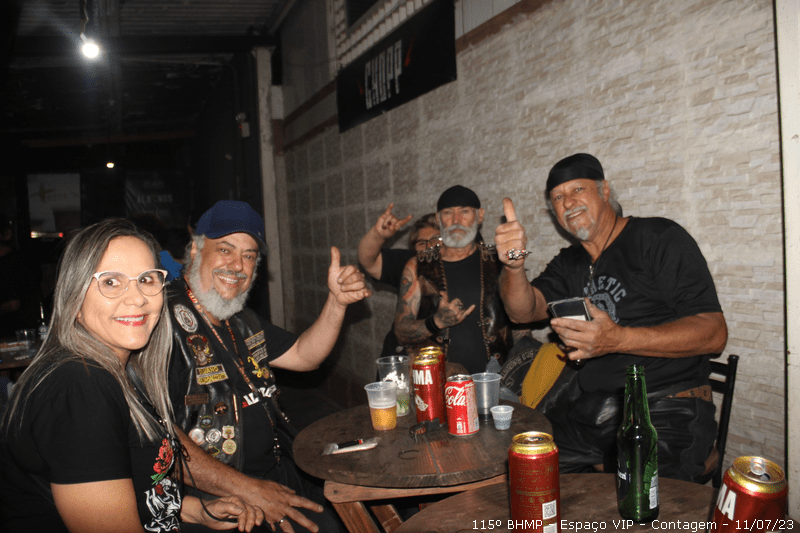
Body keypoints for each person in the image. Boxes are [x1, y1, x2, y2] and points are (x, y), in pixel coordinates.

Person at [0, 219, 263, 533]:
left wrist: (194, 510)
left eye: (147, 279)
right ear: (74, 298)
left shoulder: (123, 371)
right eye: (111, 282)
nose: (137, 298)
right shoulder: (80, 386)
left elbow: (129, 487)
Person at [494, 153, 728, 482]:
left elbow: (714, 333)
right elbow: (522, 311)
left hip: (668, 410)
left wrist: (617, 339)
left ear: (604, 190)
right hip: (593, 410)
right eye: (557, 197)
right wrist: (513, 266)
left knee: (639, 503)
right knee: (522, 470)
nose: (568, 202)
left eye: (578, 189)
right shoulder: (569, 262)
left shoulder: (657, 237)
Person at [167, 200, 370, 533]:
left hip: (274, 475)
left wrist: (336, 303)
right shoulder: (161, 323)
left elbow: (304, 355)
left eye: (249, 256)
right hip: (212, 499)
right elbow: (156, 434)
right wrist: (246, 489)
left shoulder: (240, 319)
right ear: (195, 249)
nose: (237, 266)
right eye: (225, 250)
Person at [393, 186, 512, 375]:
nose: (456, 220)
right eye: (448, 213)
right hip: (439, 381)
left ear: (480, 216)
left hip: (496, 381)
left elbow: (521, 323)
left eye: (464, 212)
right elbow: (400, 332)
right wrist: (436, 322)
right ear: (438, 219)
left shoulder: (500, 260)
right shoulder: (418, 266)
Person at [357, 204, 439, 357]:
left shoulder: (467, 267)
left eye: (436, 240)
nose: (429, 247)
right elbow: (368, 261)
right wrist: (377, 235)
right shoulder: (410, 264)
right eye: (421, 243)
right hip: (403, 357)